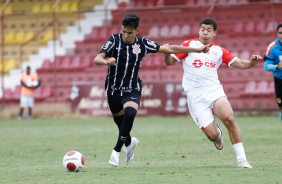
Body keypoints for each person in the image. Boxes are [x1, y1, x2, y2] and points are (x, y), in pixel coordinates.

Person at [94, 13, 208, 167]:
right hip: (113, 89)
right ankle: (129, 142)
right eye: (124, 32)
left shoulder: (142, 44)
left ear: (137, 31)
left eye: (129, 32)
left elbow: (169, 49)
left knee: (130, 113)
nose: (126, 36)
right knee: (119, 120)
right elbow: (97, 59)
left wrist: (196, 50)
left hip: (132, 88)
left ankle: (116, 151)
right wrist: (107, 61)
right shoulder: (114, 40)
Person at [164, 18, 262, 168]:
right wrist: (166, 53)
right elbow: (170, 61)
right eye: (202, 29)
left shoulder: (218, 51)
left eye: (209, 30)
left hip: (214, 91)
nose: (205, 33)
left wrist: (252, 63)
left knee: (230, 119)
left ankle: (242, 160)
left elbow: (242, 64)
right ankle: (218, 135)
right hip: (195, 96)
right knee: (212, 136)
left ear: (215, 32)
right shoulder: (189, 46)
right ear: (199, 31)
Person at [264, 23, 282, 122]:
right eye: (280, 33)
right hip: (279, 80)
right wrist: (277, 66)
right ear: (277, 34)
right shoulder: (272, 47)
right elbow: (266, 66)